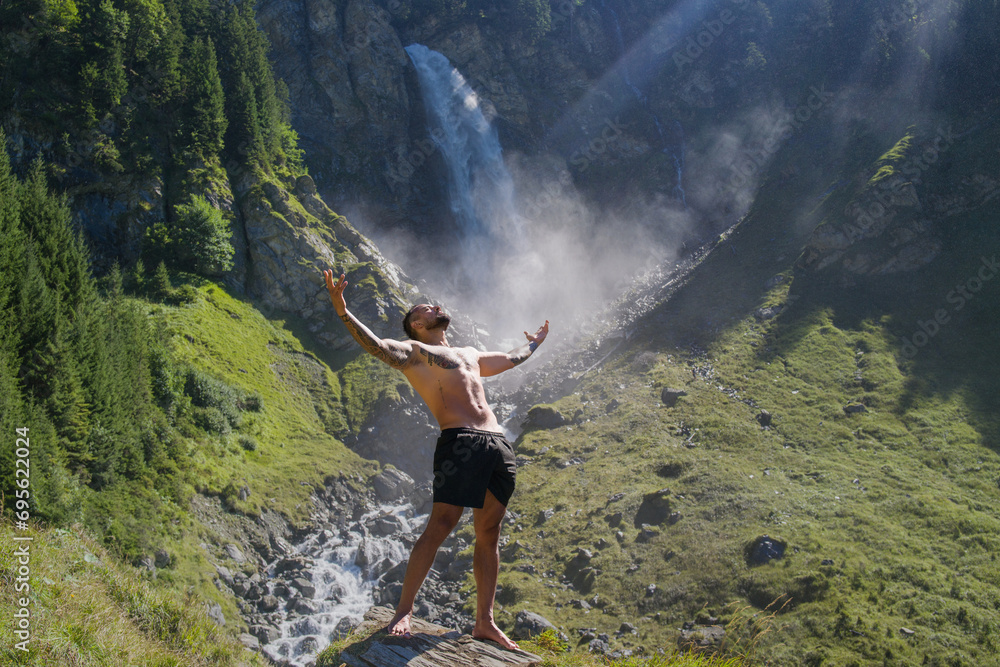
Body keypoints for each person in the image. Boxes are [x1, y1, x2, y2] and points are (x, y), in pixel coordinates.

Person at [323, 269, 548, 650]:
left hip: (498, 444)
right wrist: (343, 311)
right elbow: (377, 346)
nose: (433, 305)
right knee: (441, 523)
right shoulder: (415, 354)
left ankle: (485, 622)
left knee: (489, 533)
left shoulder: (470, 355)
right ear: (416, 324)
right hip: (460, 441)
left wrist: (535, 344)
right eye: (424, 308)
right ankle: (403, 611)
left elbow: (510, 359)